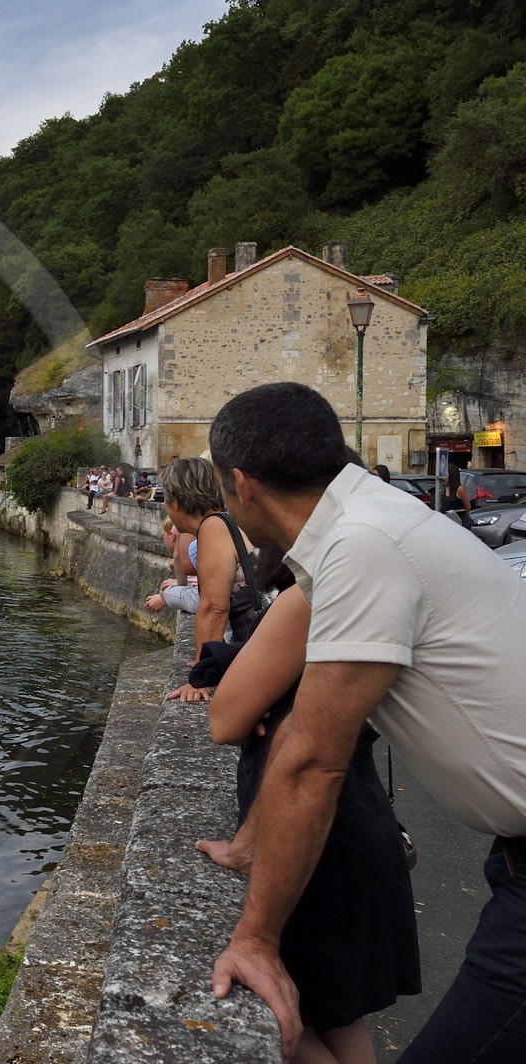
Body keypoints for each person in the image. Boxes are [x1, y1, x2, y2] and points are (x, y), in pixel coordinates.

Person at [204, 381, 526, 1064]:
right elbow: (307, 725)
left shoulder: (364, 543)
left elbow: (316, 759)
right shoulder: (371, 522)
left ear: (241, 485)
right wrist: (247, 842)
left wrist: (256, 939)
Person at [193, 555, 419, 1063]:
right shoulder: (366, 588)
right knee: (336, 1013)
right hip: (357, 811)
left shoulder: (312, 597)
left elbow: (225, 720)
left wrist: (257, 693)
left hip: (316, 830)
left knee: (283, 1023)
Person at [160, 456, 256, 702]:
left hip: (257, 644)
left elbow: (214, 607)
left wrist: (202, 677)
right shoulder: (231, 519)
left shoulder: (213, 528)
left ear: (177, 503)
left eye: (165, 501)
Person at [144, 516, 199, 617]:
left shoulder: (183, 524)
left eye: (163, 535)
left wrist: (163, 597)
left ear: (172, 535)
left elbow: (182, 561)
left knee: (164, 590)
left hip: (201, 598)